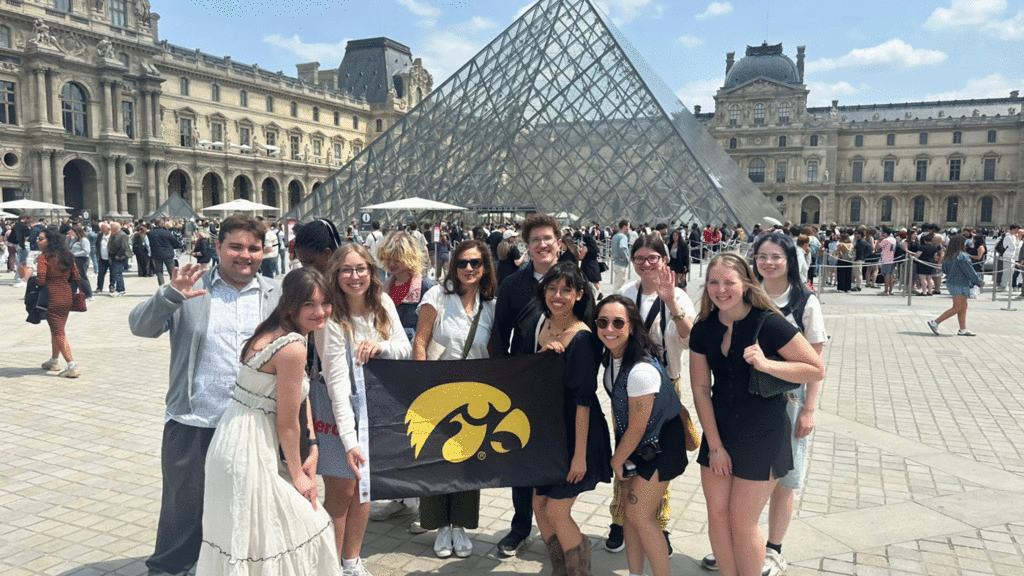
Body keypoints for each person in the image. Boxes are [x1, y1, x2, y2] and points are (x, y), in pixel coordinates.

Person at [129, 214, 281, 576]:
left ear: (264, 252)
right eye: (236, 247)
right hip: (194, 419)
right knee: (183, 510)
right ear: (218, 247)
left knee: (244, 507)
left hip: (253, 423)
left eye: (253, 248)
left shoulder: (277, 294)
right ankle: (170, 569)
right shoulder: (192, 290)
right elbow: (140, 326)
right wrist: (169, 295)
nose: (245, 255)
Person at [194, 268, 342, 576]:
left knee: (252, 541)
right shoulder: (293, 347)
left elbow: (300, 399)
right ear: (290, 305)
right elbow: (287, 423)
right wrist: (300, 475)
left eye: (325, 302)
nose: (320, 311)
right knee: (305, 525)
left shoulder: (272, 329)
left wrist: (313, 445)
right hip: (249, 447)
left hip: (234, 438)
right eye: (309, 305)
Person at [689, 253, 824, 576]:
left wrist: (766, 364)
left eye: (729, 282)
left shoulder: (769, 323)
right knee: (718, 515)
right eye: (713, 282)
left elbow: (815, 369)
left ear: (746, 284)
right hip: (719, 430)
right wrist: (716, 445)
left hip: (763, 432)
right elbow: (700, 390)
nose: (721, 290)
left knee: (741, 519)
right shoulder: (704, 328)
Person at [312, 243, 411, 575]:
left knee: (365, 487)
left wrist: (380, 346)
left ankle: (352, 561)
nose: (355, 277)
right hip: (335, 410)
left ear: (371, 271)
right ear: (336, 274)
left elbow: (404, 348)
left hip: (376, 408)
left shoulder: (382, 303)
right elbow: (337, 384)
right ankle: (330, 564)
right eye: (346, 270)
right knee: (342, 489)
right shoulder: (330, 318)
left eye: (361, 269)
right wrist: (350, 441)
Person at [606, 234, 695, 556]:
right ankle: (619, 520)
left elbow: (690, 340)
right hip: (627, 387)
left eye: (652, 258)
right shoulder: (625, 294)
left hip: (667, 385)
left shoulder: (680, 297)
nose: (646, 264)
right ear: (632, 262)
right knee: (625, 454)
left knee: (660, 462)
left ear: (664, 260)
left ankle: (659, 524)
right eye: (640, 258)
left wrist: (671, 302)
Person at [522, 263, 610, 576]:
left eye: (566, 290)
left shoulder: (583, 339)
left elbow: (583, 402)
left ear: (579, 294)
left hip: (576, 434)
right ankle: (561, 567)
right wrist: (544, 357)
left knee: (557, 511)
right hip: (547, 431)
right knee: (538, 505)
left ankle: (579, 567)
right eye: (551, 288)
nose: (557, 296)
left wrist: (579, 457)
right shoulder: (541, 323)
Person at [412, 239, 498, 558]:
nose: (469, 269)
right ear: (453, 266)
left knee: (466, 463)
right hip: (437, 390)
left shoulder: (491, 305)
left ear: (485, 267)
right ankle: (440, 526)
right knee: (437, 461)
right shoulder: (437, 295)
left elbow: (492, 352)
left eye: (475, 263)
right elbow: (420, 341)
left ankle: (459, 526)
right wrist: (421, 383)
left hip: (474, 395)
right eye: (462, 263)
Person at [594, 294, 689, 576]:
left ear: (632, 326)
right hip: (638, 448)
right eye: (602, 322)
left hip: (659, 448)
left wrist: (616, 460)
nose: (609, 329)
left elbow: (637, 427)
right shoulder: (614, 358)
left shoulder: (640, 371)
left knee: (640, 517)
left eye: (618, 322)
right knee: (631, 519)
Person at [490, 213, 562, 557]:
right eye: (535, 240)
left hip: (563, 384)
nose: (542, 244)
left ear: (558, 243)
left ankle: (556, 524)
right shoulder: (513, 286)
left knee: (556, 457)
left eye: (548, 238)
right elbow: (500, 335)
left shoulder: (573, 282)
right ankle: (521, 526)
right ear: (527, 246)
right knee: (518, 456)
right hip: (522, 383)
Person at [368, 230, 436, 524]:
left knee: (422, 440)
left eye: (396, 258)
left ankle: (424, 503)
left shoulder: (428, 289)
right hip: (389, 373)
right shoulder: (383, 289)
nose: (391, 264)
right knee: (396, 439)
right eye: (387, 258)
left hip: (416, 372)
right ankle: (398, 497)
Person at [37, 227, 81, 379]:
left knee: (58, 332)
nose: (37, 240)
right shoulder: (67, 255)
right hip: (66, 295)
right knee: (56, 328)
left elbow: (41, 279)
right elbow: (76, 277)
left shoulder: (44, 257)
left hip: (52, 297)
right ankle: (54, 360)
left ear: (50, 241)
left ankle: (71, 366)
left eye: (41, 238)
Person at [928, 234, 984, 337]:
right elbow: (969, 271)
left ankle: (962, 329)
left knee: (963, 306)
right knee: (957, 307)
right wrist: (978, 281)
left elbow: (944, 269)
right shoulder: (962, 256)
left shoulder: (948, 256)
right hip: (960, 283)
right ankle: (935, 322)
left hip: (952, 282)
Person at [148, 218, 183, 285]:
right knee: (172, 272)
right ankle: (173, 285)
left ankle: (162, 286)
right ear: (162, 224)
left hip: (156, 254)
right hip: (168, 254)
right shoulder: (167, 233)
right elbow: (175, 242)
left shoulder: (150, 233)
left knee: (159, 273)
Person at [68, 225, 93, 300]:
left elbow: (86, 251)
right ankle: (73, 292)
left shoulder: (84, 240)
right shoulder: (74, 240)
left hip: (82, 260)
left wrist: (74, 254)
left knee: (82, 276)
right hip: (74, 260)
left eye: (73, 232)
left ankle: (88, 293)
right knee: (73, 276)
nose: (72, 233)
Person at [108, 222, 132, 296]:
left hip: (120, 257)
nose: (110, 229)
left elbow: (123, 247)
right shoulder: (113, 234)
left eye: (111, 227)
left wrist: (118, 255)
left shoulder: (122, 235)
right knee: (115, 272)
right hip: (113, 255)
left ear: (115, 228)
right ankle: (119, 288)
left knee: (118, 273)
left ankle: (121, 289)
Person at [611, 220, 631, 292]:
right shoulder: (623, 237)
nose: (629, 228)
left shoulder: (615, 236)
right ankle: (615, 300)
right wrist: (626, 258)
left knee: (617, 284)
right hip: (621, 264)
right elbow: (623, 247)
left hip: (616, 263)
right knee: (619, 287)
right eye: (628, 226)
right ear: (625, 227)